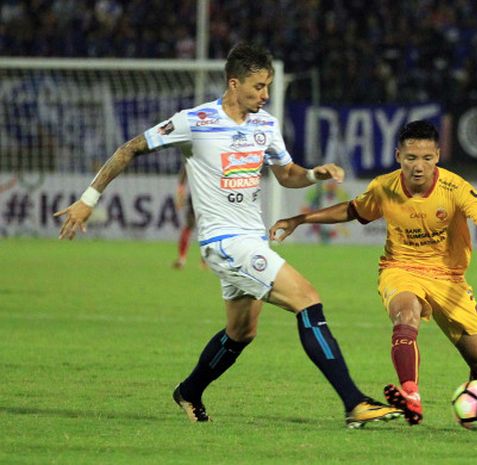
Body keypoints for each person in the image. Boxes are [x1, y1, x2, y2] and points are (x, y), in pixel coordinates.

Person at [53, 42, 402, 428]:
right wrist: (88, 198)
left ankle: (189, 391)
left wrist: (314, 174)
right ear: (233, 83)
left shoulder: (264, 125)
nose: (265, 95)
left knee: (241, 332)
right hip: (223, 242)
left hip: (253, 238)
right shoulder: (195, 121)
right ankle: (354, 403)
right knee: (307, 299)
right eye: (257, 87)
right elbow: (131, 148)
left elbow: (287, 175)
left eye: (267, 86)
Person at [270, 120, 477, 425]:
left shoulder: (455, 188)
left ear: (437, 156)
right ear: (399, 156)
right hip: (400, 269)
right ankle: (410, 393)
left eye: (426, 158)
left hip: (449, 279)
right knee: (406, 315)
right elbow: (353, 210)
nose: (418, 166)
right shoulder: (385, 186)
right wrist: (299, 219)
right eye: (411, 158)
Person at [172, 165, 206, 270]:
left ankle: (182, 258)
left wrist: (180, 189)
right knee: (206, 228)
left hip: (199, 196)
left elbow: (185, 169)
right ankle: (204, 261)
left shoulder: (193, 154)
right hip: (206, 196)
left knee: (191, 227)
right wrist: (181, 190)